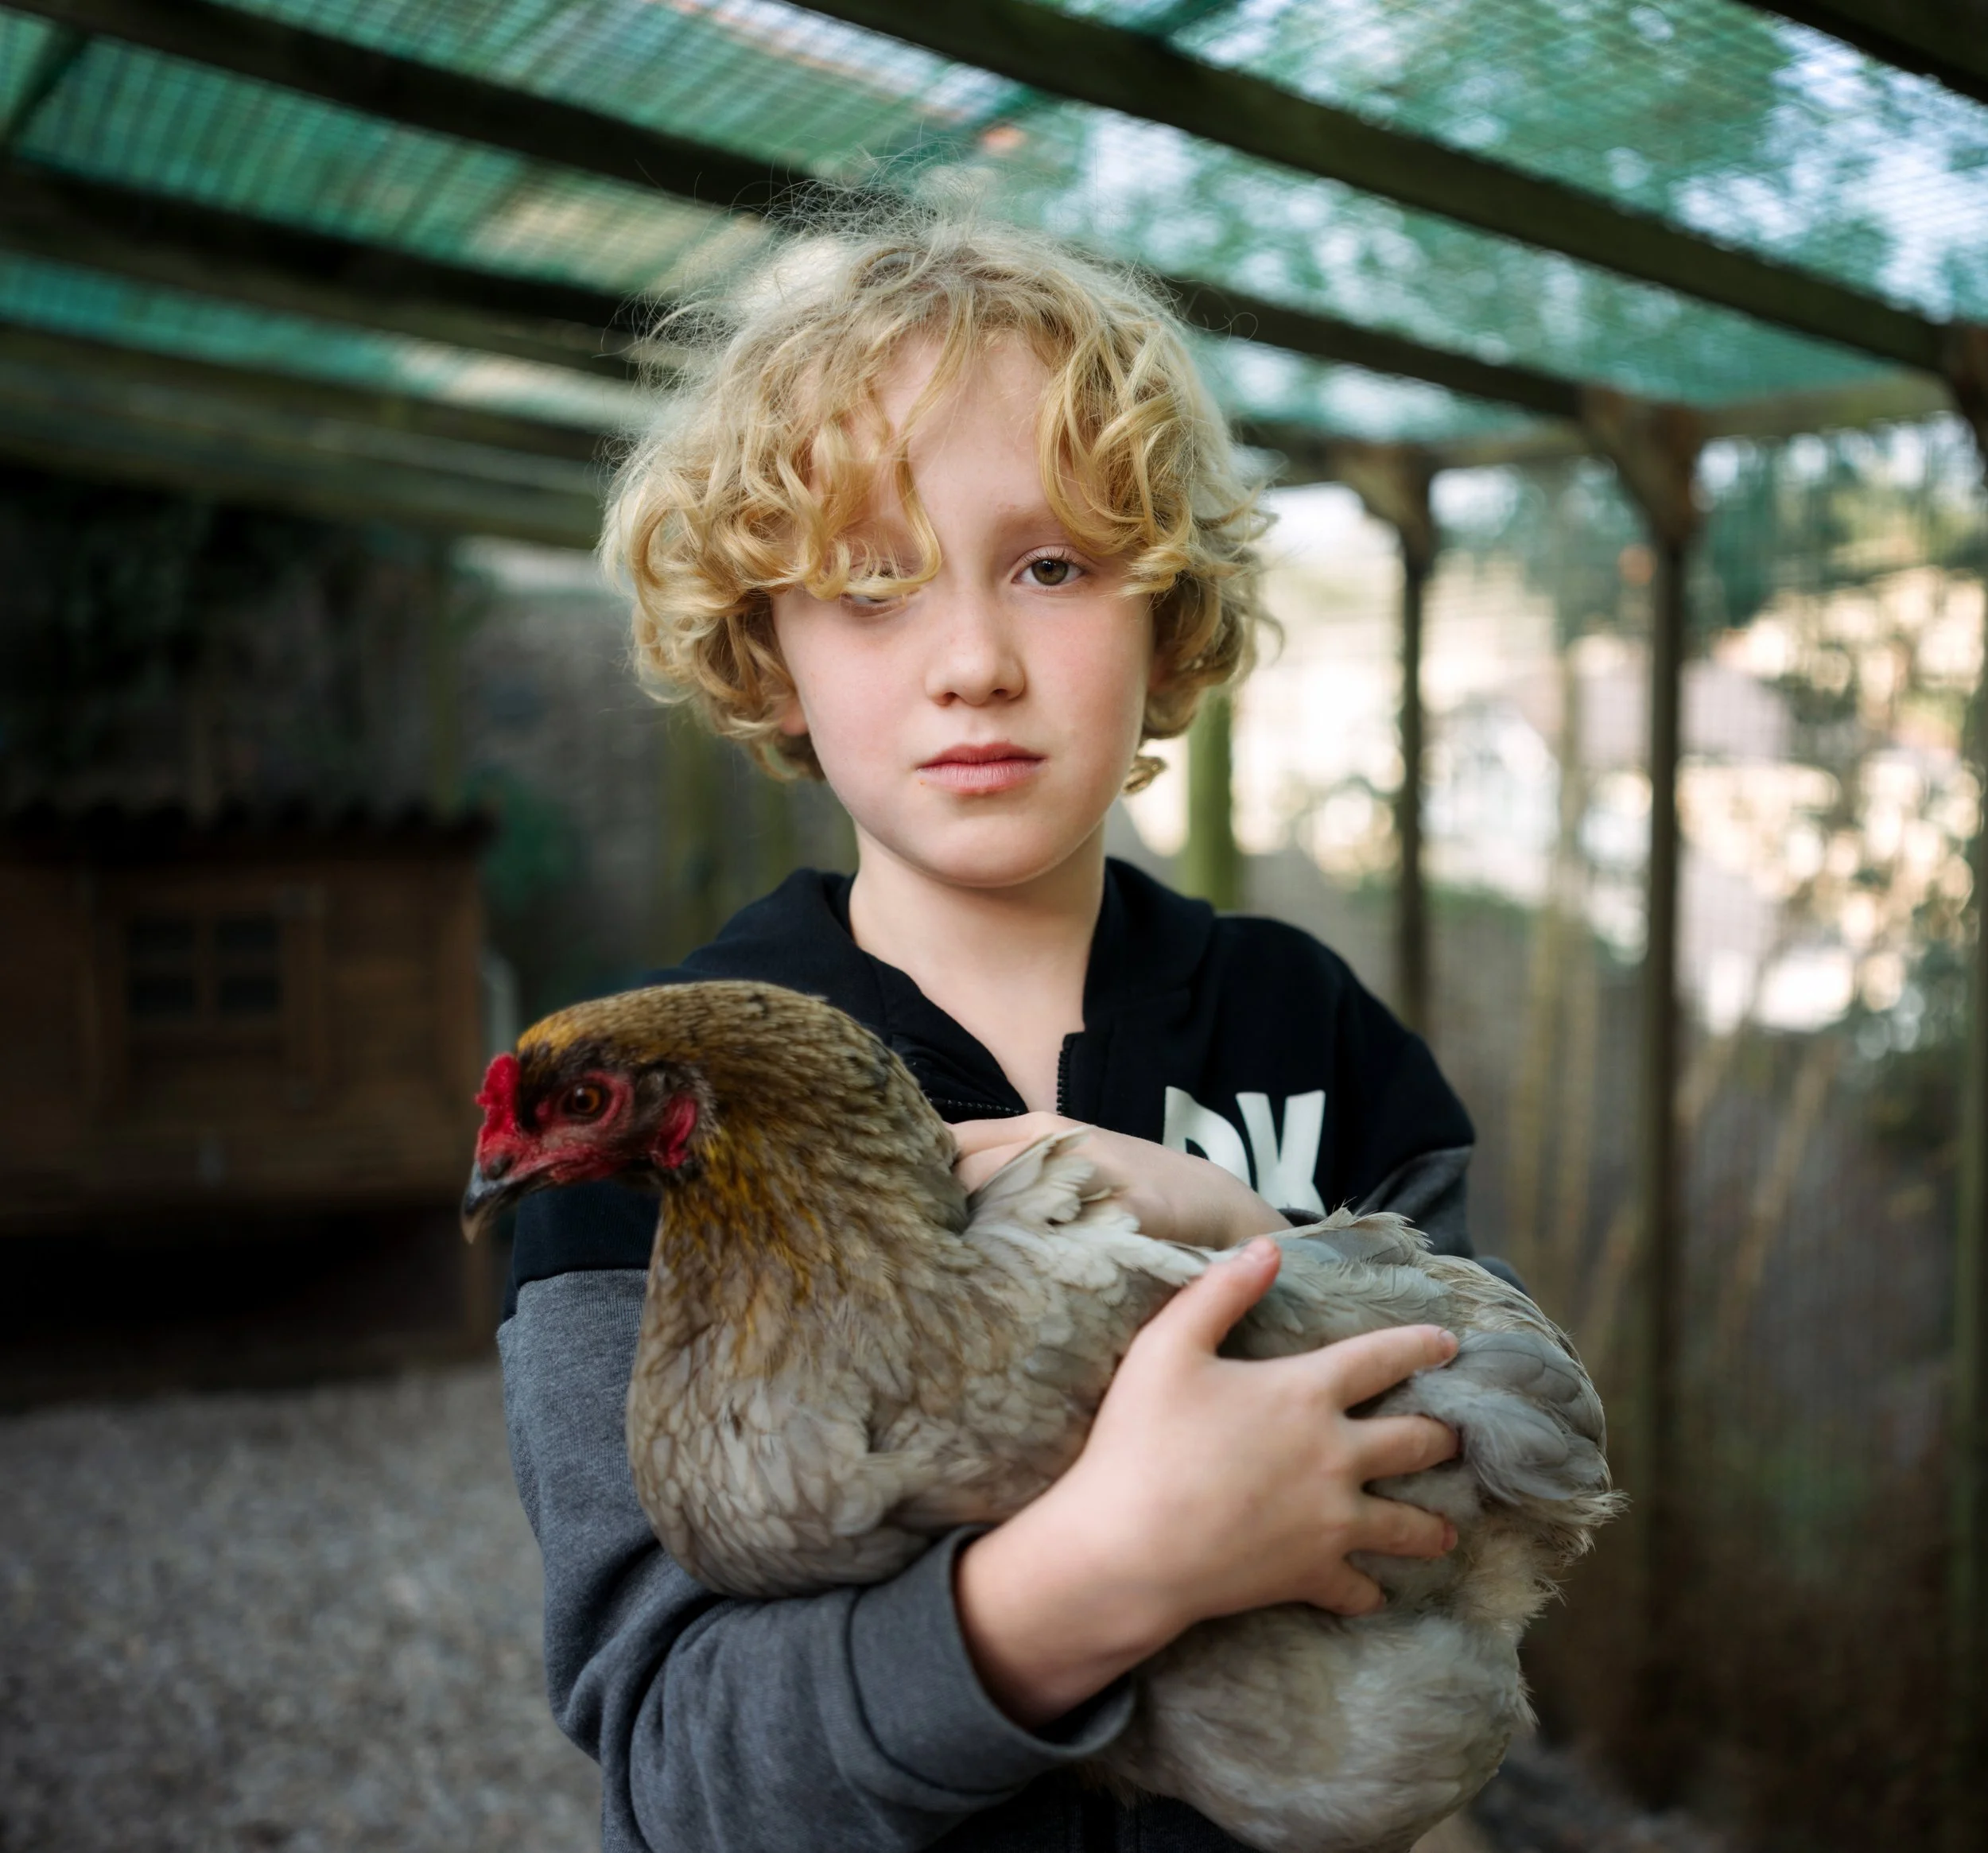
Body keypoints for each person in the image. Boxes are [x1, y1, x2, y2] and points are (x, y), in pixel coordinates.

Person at [499, 212, 1493, 1853]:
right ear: (768, 647)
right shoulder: (646, 1130)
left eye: (1050, 566)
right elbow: (677, 1769)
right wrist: (1085, 1582)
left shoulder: (1313, 1031)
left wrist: (1254, 1241)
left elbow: (1502, 1508)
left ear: (1165, 618)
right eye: (869, 584)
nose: (971, 660)